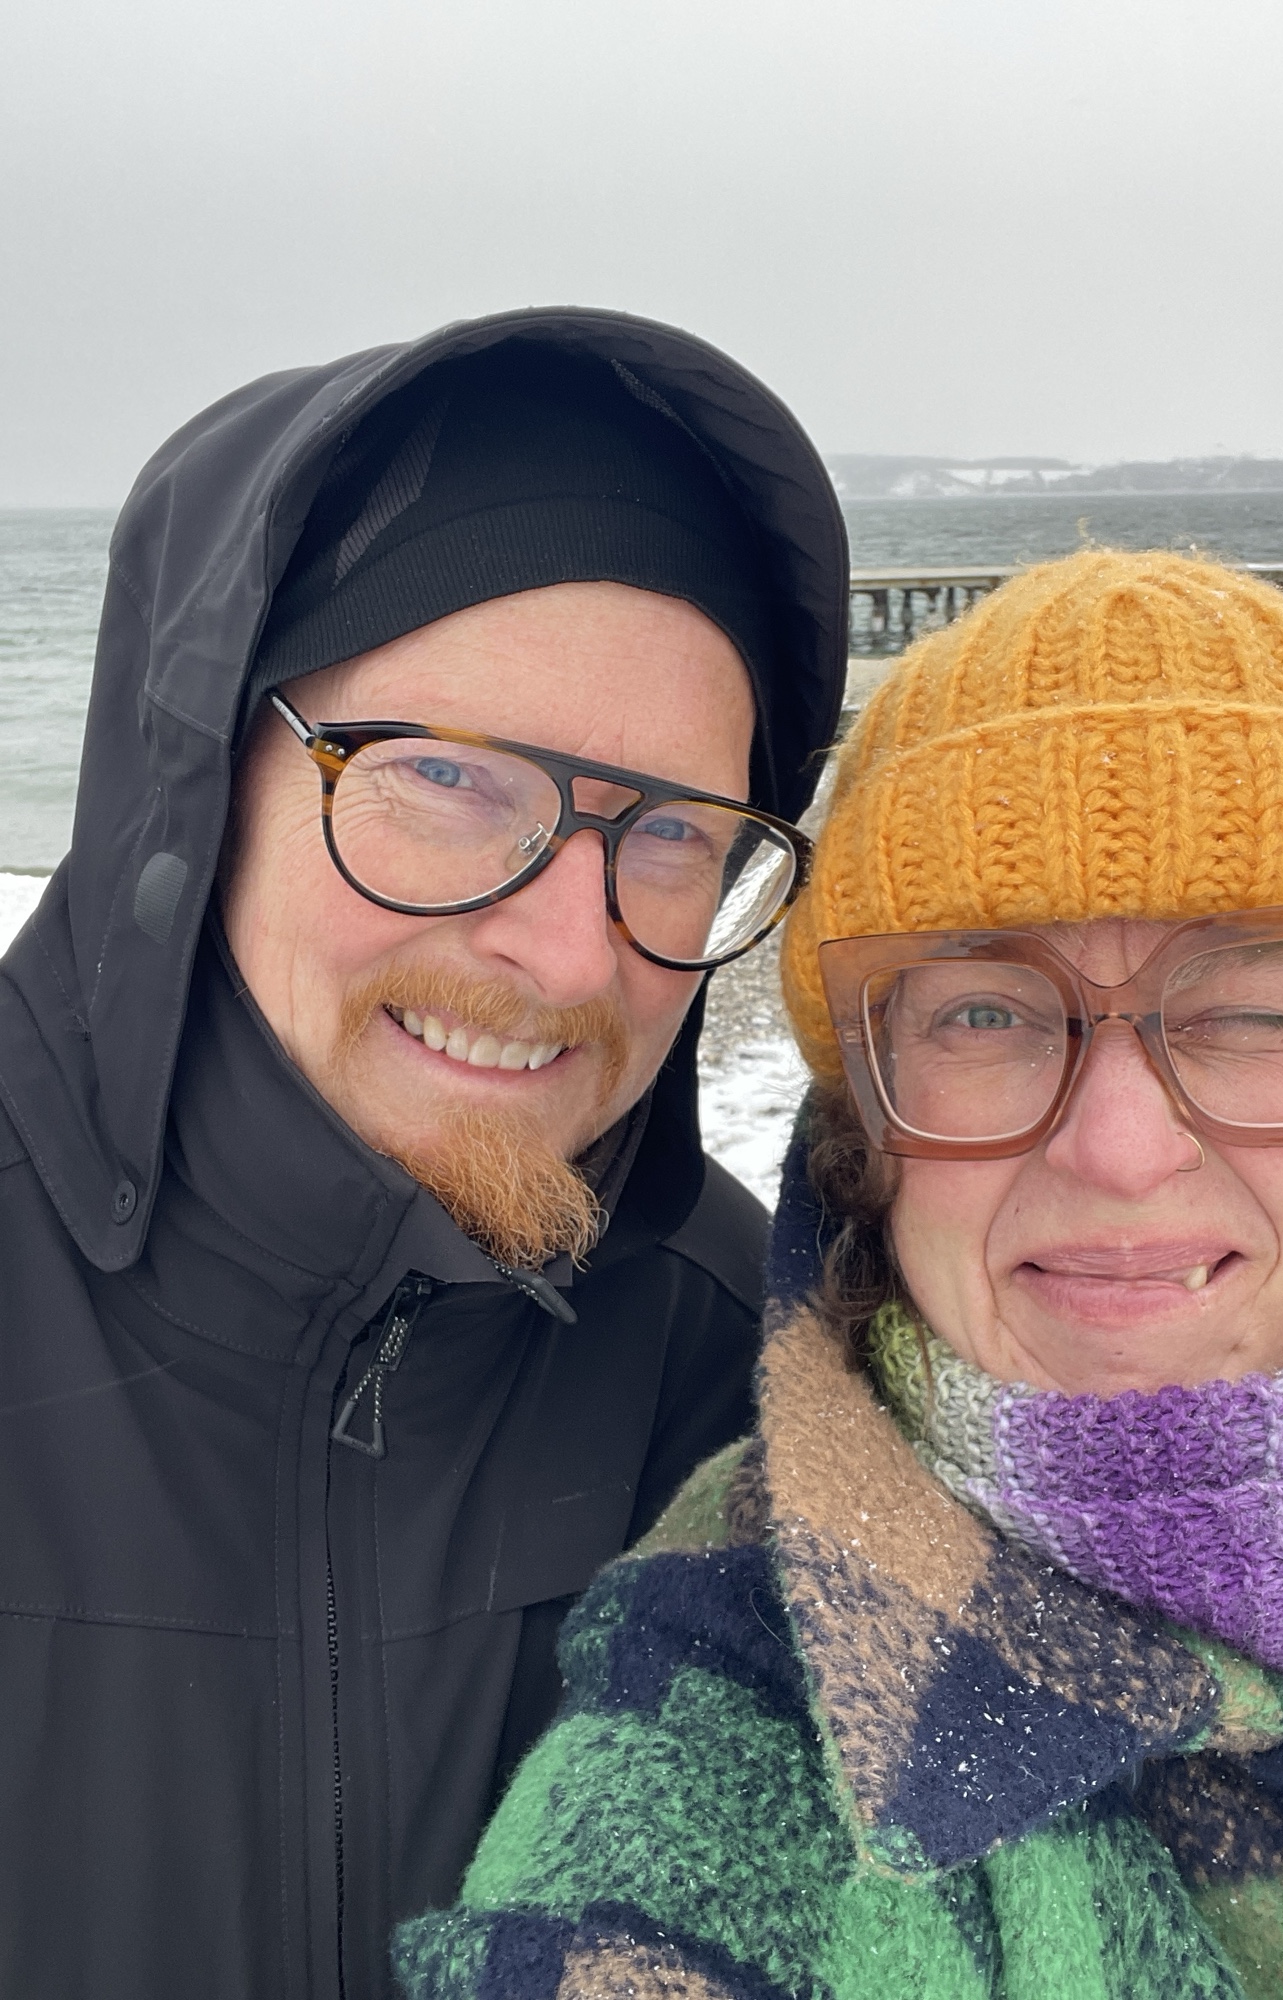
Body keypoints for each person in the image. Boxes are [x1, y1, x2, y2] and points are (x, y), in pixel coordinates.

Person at [396, 551, 1283, 2000]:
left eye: (1252, 1009)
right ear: (867, 1123)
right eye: (985, 1013)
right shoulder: (723, 1713)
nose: (1119, 1151)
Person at [0, 310, 847, 1999]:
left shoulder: (741, 1374)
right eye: (450, 777)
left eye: (674, 833)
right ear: (196, 777)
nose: (570, 952)